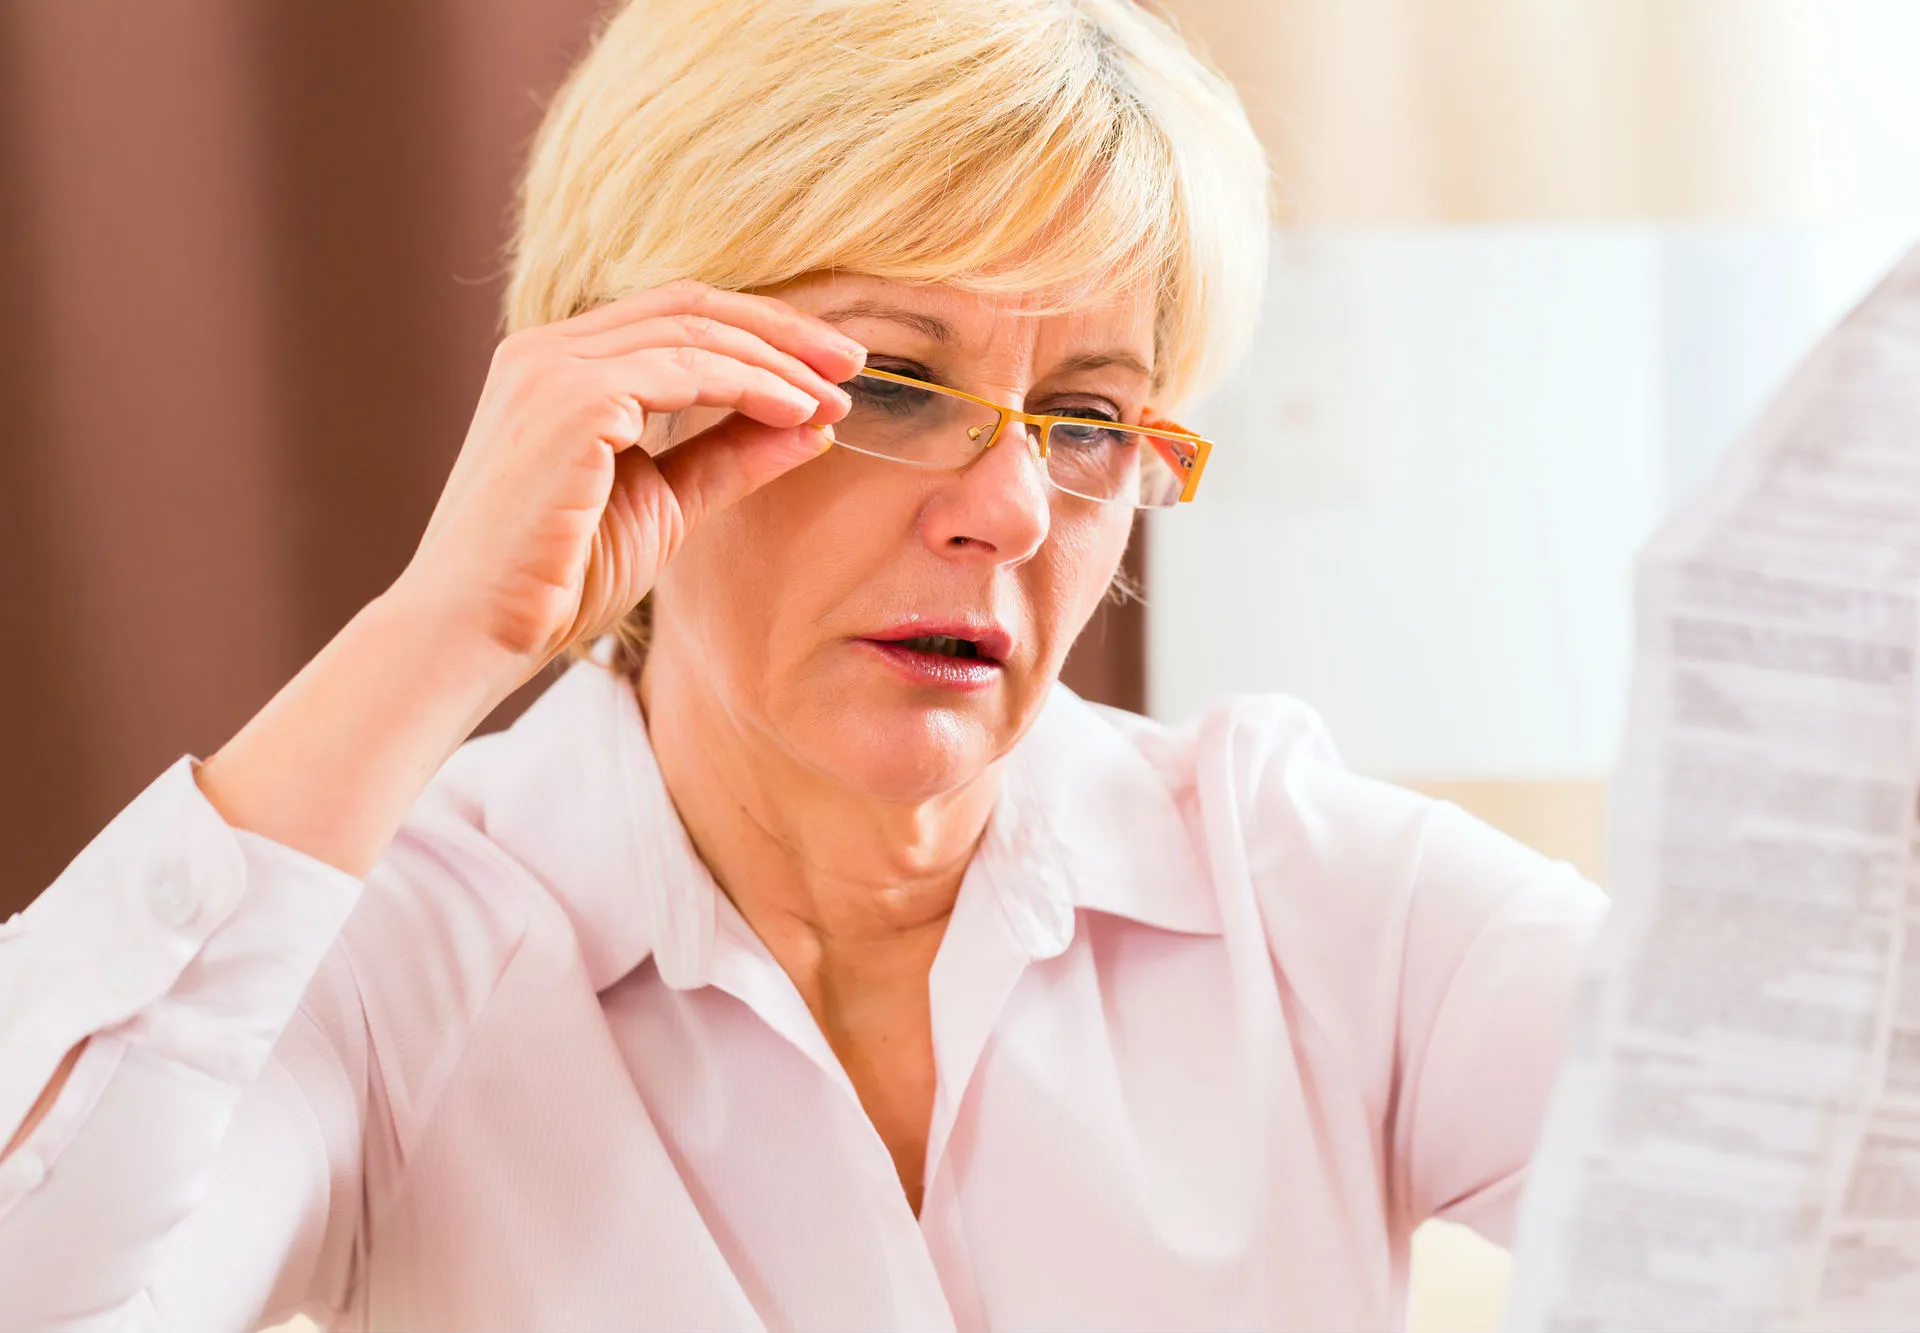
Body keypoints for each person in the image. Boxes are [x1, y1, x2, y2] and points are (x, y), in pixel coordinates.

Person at [0, 1, 1604, 1328]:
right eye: (894, 384)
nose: (1009, 507)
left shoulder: (1311, 896)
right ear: (639, 392)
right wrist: (442, 629)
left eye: (1092, 418)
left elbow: (1826, 1202)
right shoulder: (399, 950)